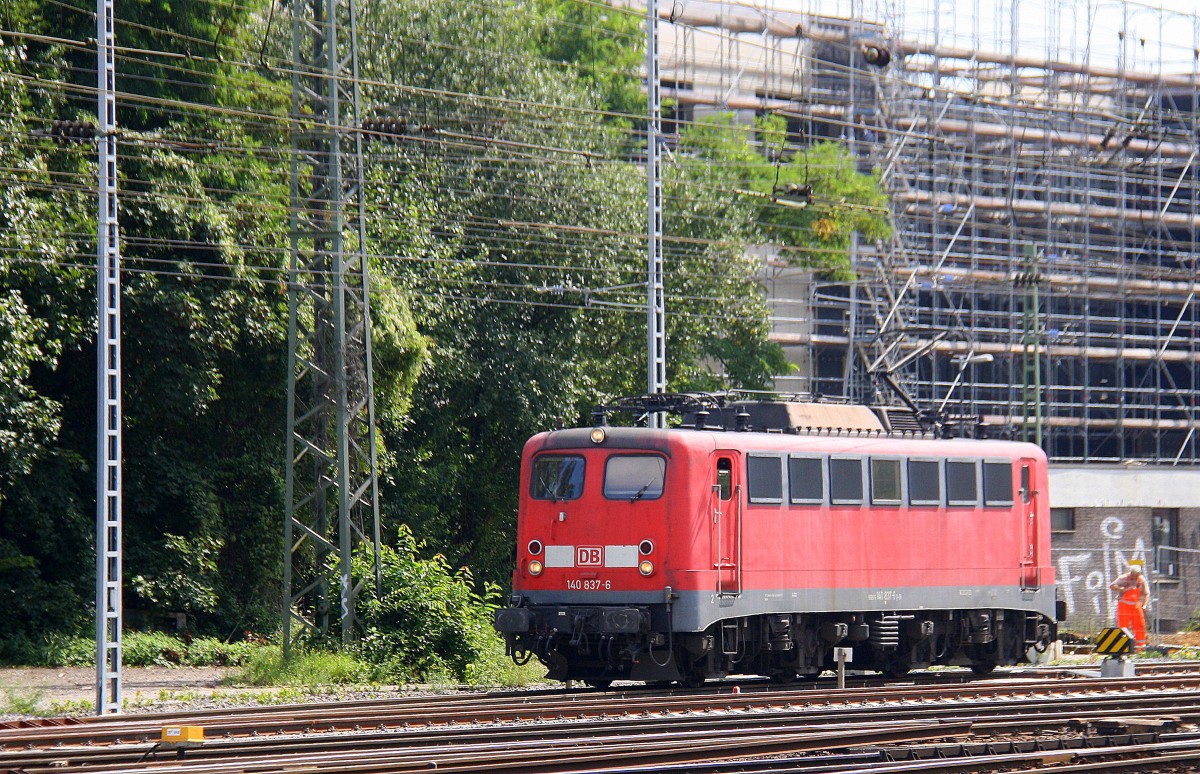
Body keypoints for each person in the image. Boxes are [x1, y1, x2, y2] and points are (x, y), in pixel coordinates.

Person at [1110, 561, 1150, 650]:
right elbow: (1112, 586)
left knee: (1140, 626)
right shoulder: (1124, 578)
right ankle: (1123, 647)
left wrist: (1144, 605)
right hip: (1124, 606)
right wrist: (1123, 589)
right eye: (1133, 575)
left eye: (1136, 575)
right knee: (1123, 627)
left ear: (1138, 574)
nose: (1134, 577)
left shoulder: (1141, 580)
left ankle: (1140, 647)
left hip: (1136, 606)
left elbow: (1147, 594)